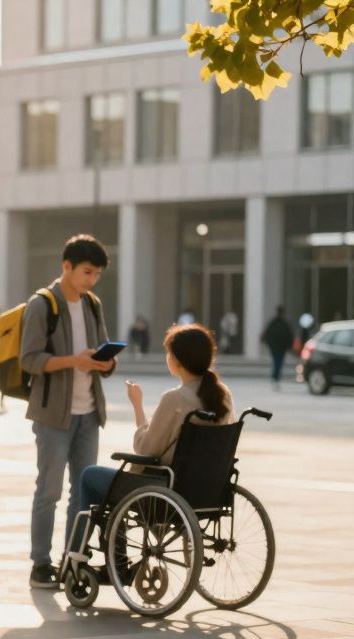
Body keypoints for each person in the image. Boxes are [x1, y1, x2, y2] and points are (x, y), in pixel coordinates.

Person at [68, 324, 234, 555]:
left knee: (89, 476)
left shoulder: (175, 399)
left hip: (164, 489)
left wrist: (137, 405)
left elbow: (145, 449)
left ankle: (80, 552)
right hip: (207, 489)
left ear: (176, 360)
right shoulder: (223, 395)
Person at [19, 234, 116, 590]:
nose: (92, 281)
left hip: (89, 414)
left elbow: (102, 350)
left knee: (83, 492)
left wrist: (105, 364)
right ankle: (40, 564)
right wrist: (72, 361)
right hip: (53, 417)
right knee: (49, 491)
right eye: (87, 273)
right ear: (67, 266)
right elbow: (29, 360)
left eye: (97, 275)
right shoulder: (43, 304)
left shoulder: (92, 304)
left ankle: (72, 559)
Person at [261, 306, 293, 389]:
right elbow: (289, 335)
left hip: (278, 347)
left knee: (277, 363)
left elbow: (267, 334)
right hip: (278, 347)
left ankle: (275, 378)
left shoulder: (276, 323)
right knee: (278, 363)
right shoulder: (282, 323)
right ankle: (275, 378)